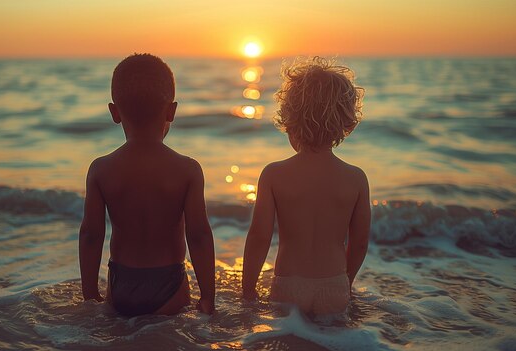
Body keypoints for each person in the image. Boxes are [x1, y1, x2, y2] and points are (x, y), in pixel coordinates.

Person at [79, 53, 215, 317]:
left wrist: (90, 295)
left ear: (114, 113)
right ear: (171, 111)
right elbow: (199, 235)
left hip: (121, 283)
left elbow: (90, 235)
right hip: (169, 284)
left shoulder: (101, 169)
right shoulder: (187, 169)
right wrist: (208, 297)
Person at [242, 56, 370, 316]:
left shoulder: (274, 175)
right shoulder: (356, 178)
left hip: (288, 288)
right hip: (334, 286)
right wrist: (347, 282)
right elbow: (359, 243)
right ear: (347, 125)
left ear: (289, 121)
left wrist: (248, 290)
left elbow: (259, 237)